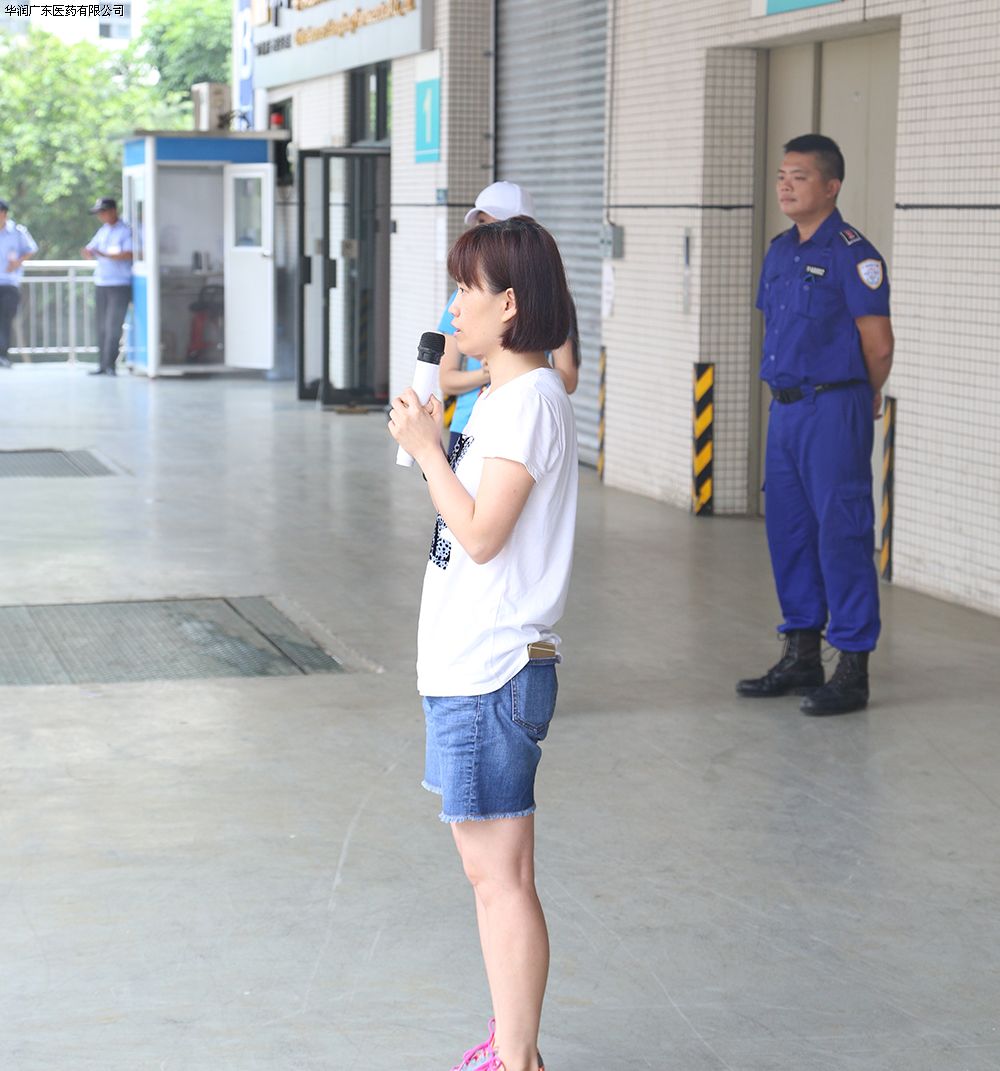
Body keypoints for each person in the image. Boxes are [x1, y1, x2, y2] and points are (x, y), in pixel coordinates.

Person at [387, 216, 578, 1071]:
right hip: (475, 667)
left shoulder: (528, 401)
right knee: (497, 874)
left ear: (510, 305)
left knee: (499, 878)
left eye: (468, 288)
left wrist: (430, 453)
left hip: (490, 672)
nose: (455, 304)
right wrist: (432, 443)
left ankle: (518, 1056)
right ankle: (510, 1041)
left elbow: (482, 534)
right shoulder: (504, 397)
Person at [737, 134, 894, 716]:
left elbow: (879, 343)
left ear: (831, 186)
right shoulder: (780, 251)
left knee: (841, 532)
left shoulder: (855, 255)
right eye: (782, 175)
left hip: (833, 408)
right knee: (791, 531)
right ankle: (802, 654)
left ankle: (852, 666)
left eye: (799, 176)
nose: (785, 185)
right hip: (786, 410)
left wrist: (864, 393)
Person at [438, 181, 580, 455]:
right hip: (468, 422)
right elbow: (447, 378)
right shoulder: (461, 303)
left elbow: (568, 377)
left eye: (490, 223)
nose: (481, 233)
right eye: (479, 224)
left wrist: (511, 372)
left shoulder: (529, 401)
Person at [81, 196, 133, 376]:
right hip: (102, 282)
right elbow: (91, 249)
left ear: (113, 211)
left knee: (113, 325)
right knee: (102, 325)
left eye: (103, 212)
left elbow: (129, 253)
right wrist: (88, 253)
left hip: (119, 284)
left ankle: (111, 364)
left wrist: (106, 255)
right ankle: (102, 364)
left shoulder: (125, 231)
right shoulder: (102, 231)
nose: (100, 216)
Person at [0, 198, 38, 369]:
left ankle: (2, 355)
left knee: (5, 321)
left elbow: (31, 248)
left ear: (4, 213)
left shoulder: (17, 231)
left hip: (9, 283)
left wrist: (17, 262)